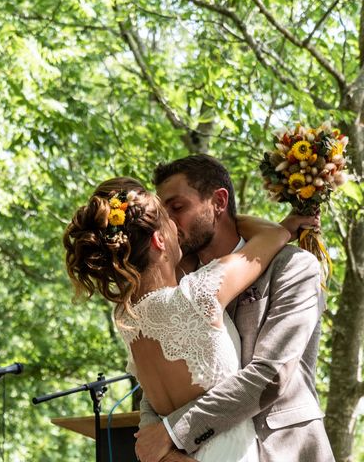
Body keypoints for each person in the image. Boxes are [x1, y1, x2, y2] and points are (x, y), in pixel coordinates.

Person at [63, 175, 318, 462]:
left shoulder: (126, 316)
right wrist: (238, 220)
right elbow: (270, 238)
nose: (175, 224)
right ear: (160, 240)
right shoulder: (199, 292)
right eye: (167, 220)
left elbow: (152, 404)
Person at [134, 154, 334, 462]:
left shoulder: (293, 267)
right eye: (164, 214)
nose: (169, 224)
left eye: (177, 208)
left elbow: (272, 375)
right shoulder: (180, 286)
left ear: (218, 201)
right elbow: (157, 378)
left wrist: (174, 432)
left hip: (286, 449)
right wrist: (159, 449)